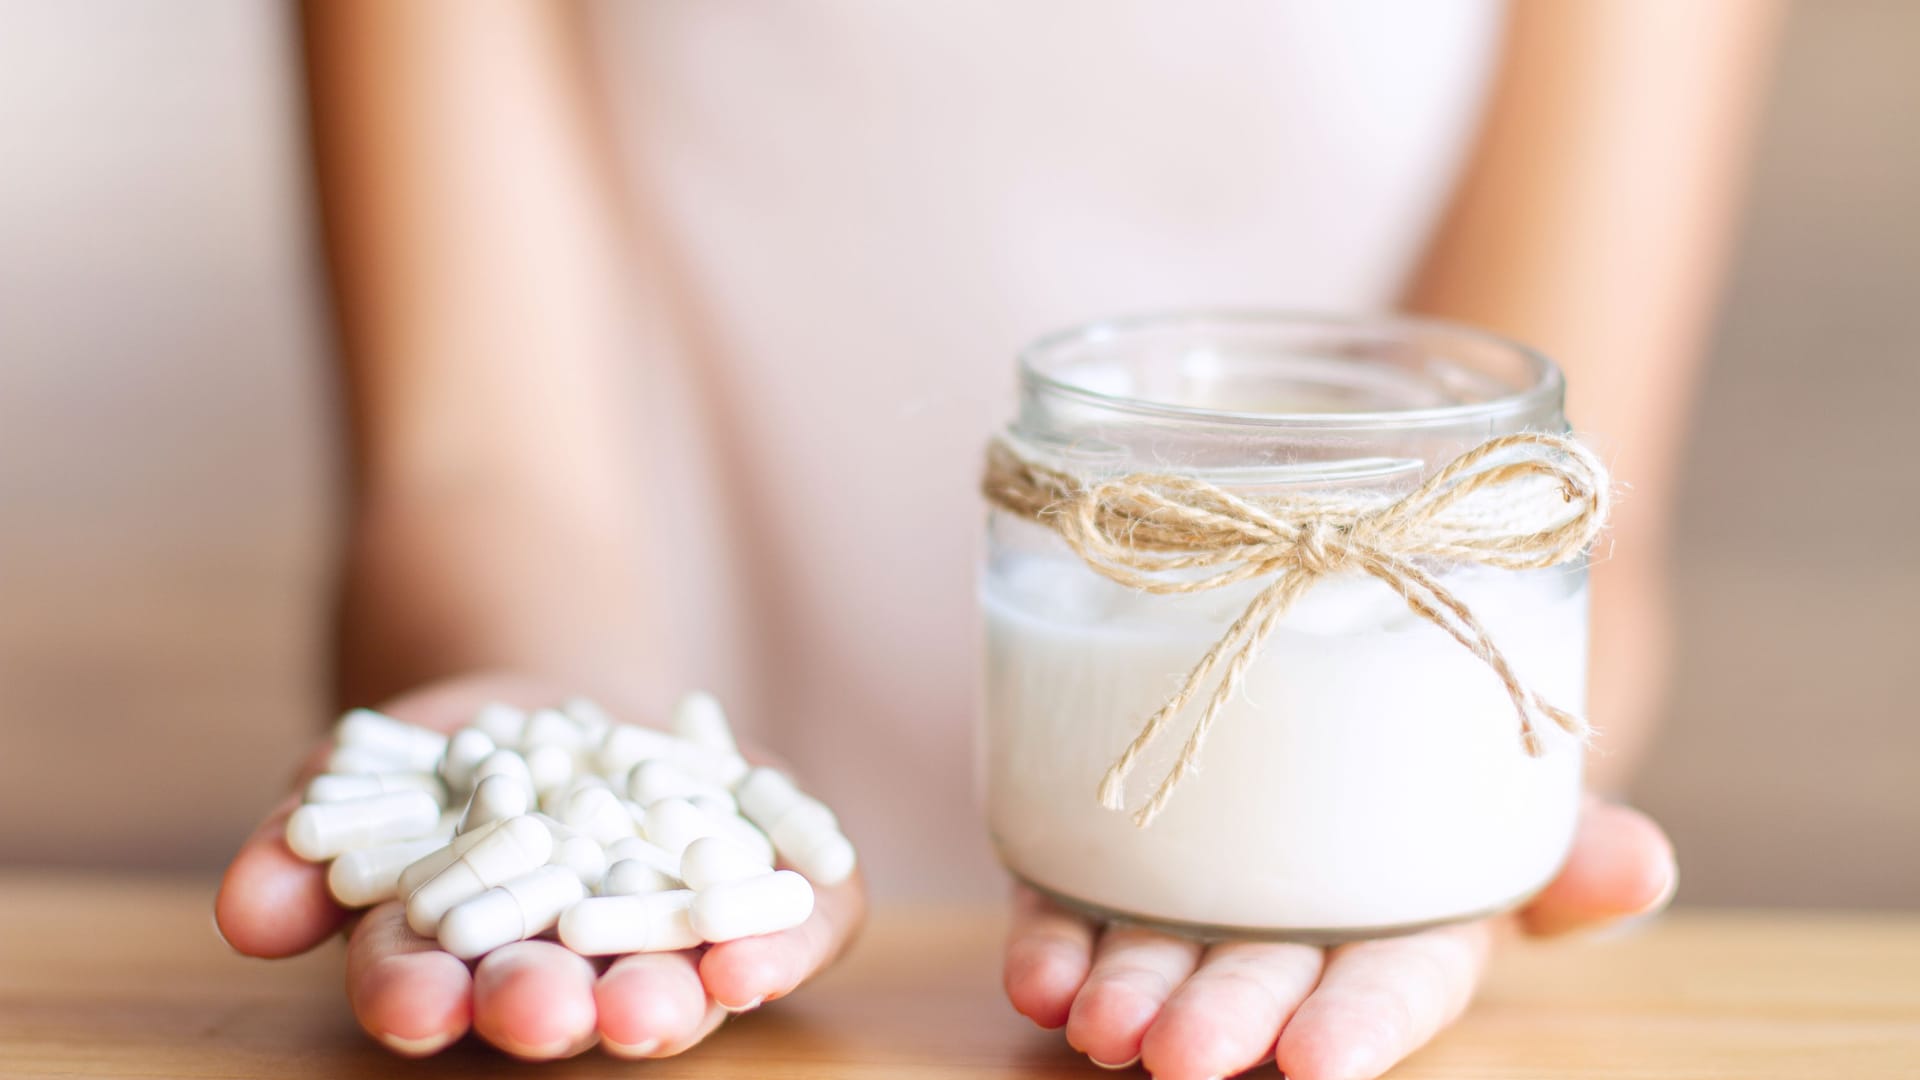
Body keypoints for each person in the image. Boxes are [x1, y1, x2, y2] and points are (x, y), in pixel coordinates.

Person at [214, 2, 1778, 1076]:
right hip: (718, 867)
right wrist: (522, 697)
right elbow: (476, 457)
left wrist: (1474, 815)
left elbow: (1538, 506)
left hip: (1310, 864)